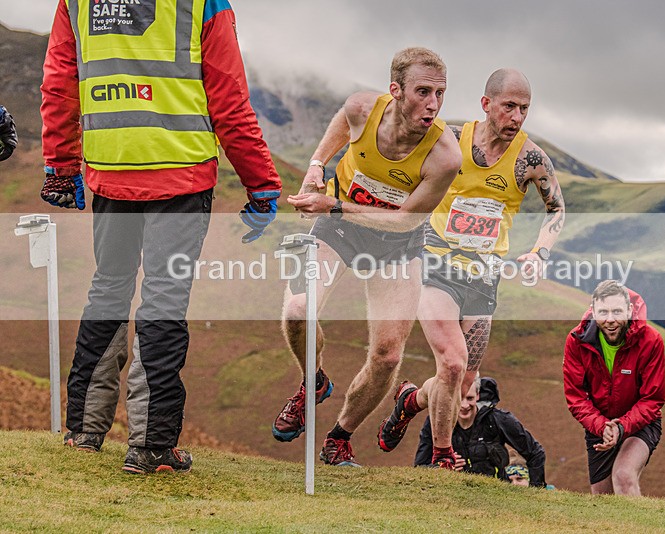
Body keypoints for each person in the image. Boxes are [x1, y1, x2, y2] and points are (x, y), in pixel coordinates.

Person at [41, 0, 282, 474]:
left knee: (107, 290)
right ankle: (151, 446)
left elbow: (60, 84)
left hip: (111, 170)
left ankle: (85, 431)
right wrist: (261, 185)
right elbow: (229, 98)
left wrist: (61, 167)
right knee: (164, 299)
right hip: (181, 175)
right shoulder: (204, 3)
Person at [273, 47, 462, 467]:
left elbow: (405, 220)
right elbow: (344, 122)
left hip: (396, 244)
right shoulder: (362, 107)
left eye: (440, 93)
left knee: (388, 356)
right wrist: (317, 165)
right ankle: (313, 381)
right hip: (338, 230)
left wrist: (334, 205)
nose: (433, 104)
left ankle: (339, 437)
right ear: (396, 90)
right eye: (423, 92)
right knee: (298, 310)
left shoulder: (445, 156)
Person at [377, 68, 565, 468]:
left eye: (524, 109)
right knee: (452, 360)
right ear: (486, 104)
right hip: (435, 265)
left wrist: (540, 253)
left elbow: (557, 209)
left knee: (461, 381)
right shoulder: (449, 140)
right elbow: (398, 165)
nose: (516, 117)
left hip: (483, 277)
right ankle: (442, 456)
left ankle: (411, 400)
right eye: (509, 106)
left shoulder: (531, 159)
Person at [563, 280, 665, 496]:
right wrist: (602, 427)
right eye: (603, 312)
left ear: (629, 310)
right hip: (599, 426)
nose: (610, 320)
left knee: (623, 476)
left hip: (641, 423)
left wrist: (621, 427)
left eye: (617, 312)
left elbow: (652, 399)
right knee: (602, 498)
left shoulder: (651, 340)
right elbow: (576, 397)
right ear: (593, 311)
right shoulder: (576, 341)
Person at [414, 376, 547, 487]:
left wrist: (535, 492)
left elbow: (535, 452)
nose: (464, 405)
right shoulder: (436, 422)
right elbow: (420, 467)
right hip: (454, 496)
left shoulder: (498, 419)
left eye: (470, 398)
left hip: (497, 495)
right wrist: (442, 467)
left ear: (477, 395)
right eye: (459, 398)